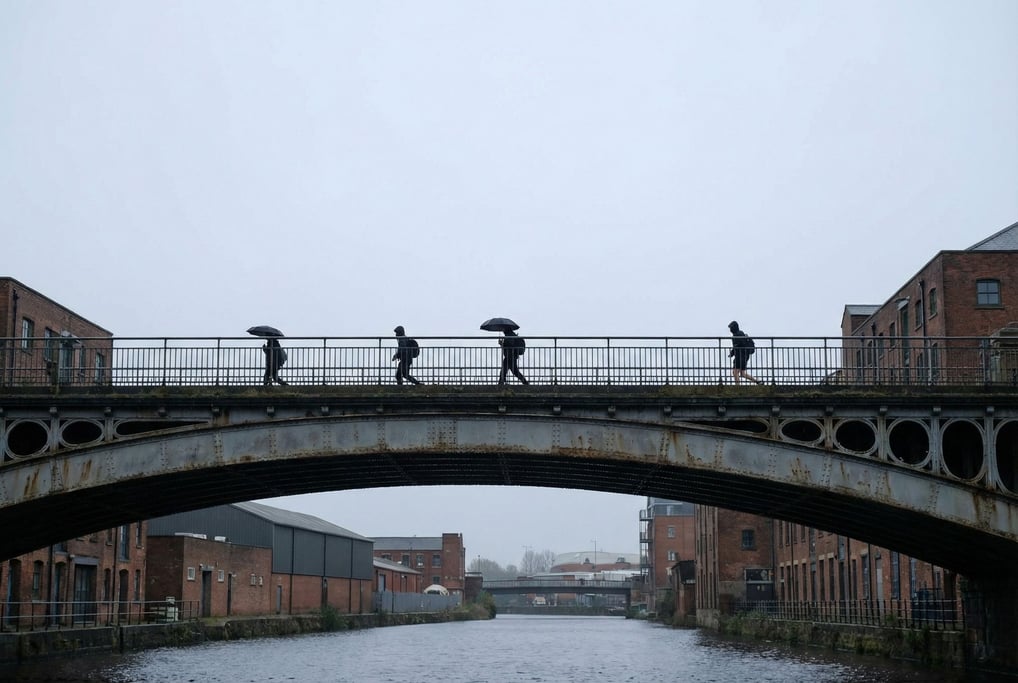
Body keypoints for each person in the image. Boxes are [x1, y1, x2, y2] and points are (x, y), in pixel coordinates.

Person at [728, 320, 762, 386]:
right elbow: (738, 346)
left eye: (731, 328)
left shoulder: (737, 335)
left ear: (734, 327)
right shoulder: (740, 333)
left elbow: (737, 346)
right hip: (745, 356)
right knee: (742, 373)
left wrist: (732, 353)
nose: (730, 330)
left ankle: (738, 388)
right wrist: (732, 353)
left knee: (735, 372)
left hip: (740, 356)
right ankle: (757, 381)